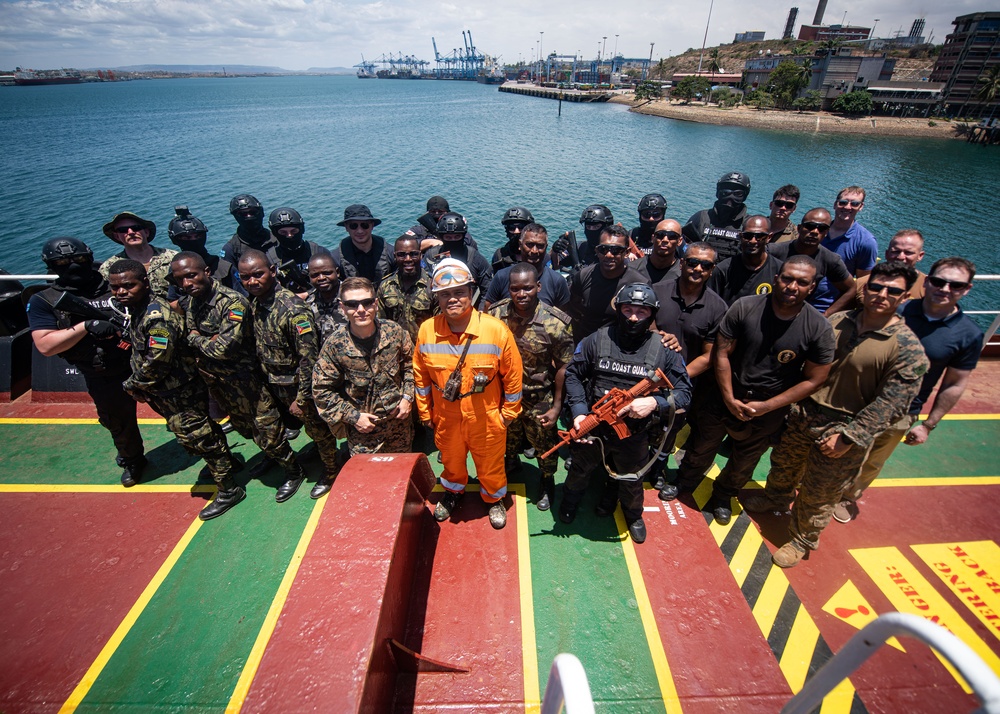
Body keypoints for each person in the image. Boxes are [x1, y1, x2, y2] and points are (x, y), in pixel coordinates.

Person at [741, 261, 928, 568]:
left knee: (821, 489)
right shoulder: (839, 320)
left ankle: (802, 538)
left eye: (892, 291)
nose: (881, 294)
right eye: (876, 287)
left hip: (844, 426)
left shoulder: (907, 349)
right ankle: (775, 497)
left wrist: (850, 437)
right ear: (865, 289)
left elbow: (892, 404)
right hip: (805, 413)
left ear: (904, 297)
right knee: (784, 465)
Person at [662, 256, 836, 525]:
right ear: (776, 279)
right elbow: (721, 353)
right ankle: (685, 480)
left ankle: (724, 494)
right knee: (702, 444)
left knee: (746, 458)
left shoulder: (818, 328)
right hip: (723, 394)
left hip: (769, 407)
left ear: (811, 288)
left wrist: (768, 406)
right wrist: (729, 397)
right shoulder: (744, 307)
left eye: (802, 282)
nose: (792, 286)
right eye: (787, 278)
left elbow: (815, 379)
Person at [834, 257, 983, 524]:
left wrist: (929, 424)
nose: (945, 289)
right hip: (859, 397)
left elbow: (955, 383)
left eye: (955, 285)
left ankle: (848, 496)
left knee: (872, 459)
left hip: (903, 410)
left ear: (967, 289)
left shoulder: (968, 334)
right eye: (939, 281)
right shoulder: (899, 310)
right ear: (926, 282)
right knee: (839, 445)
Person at [110, 260, 243, 520]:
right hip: (166, 390)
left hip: (179, 390)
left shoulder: (156, 317)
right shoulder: (138, 311)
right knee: (204, 431)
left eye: (128, 285)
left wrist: (134, 383)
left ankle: (229, 489)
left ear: (144, 283)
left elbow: (158, 361)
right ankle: (228, 463)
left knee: (199, 437)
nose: (121, 292)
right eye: (115, 288)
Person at [560, 283, 692, 543]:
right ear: (618, 310)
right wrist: (578, 412)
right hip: (593, 427)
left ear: (652, 315)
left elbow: (685, 393)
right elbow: (573, 374)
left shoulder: (664, 349)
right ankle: (570, 501)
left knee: (632, 480)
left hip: (634, 432)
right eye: (627, 309)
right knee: (579, 470)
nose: (633, 317)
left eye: (641, 312)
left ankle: (633, 515)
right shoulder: (597, 340)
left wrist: (655, 403)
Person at [170, 252, 305, 501]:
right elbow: (195, 332)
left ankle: (293, 470)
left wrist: (195, 338)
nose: (187, 283)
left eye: (192, 275)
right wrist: (202, 338)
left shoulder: (232, 303)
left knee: (269, 431)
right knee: (245, 429)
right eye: (180, 280)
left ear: (206, 272)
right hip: (221, 382)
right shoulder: (193, 302)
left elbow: (223, 348)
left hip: (248, 382)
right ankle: (271, 457)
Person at [413, 258, 523, 530]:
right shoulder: (427, 330)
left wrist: (507, 415)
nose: (453, 299)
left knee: (491, 463)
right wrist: (426, 413)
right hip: (446, 416)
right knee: (451, 460)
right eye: (445, 294)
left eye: (459, 292)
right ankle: (453, 491)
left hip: (486, 417)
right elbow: (421, 378)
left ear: (471, 292)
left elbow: (514, 377)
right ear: (436, 296)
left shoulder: (495, 331)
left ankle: (494, 498)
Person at [27, 237, 145, 487]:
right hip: (102, 372)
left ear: (89, 258)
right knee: (117, 421)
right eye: (61, 262)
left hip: (142, 361)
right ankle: (132, 459)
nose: (72, 266)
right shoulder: (46, 300)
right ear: (50, 265)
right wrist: (85, 326)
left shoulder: (115, 284)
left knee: (178, 410)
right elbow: (45, 345)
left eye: (78, 259)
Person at [238, 249, 342, 499]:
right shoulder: (255, 303)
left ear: (272, 272)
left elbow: (309, 359)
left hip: (295, 386)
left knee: (318, 431)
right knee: (269, 428)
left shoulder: (293, 309)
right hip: (271, 382)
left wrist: (303, 397)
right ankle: (292, 469)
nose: (252, 282)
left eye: (258, 274)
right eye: (245, 277)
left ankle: (331, 470)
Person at [487, 263, 575, 511]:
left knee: (545, 444)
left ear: (538, 287)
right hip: (504, 394)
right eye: (515, 289)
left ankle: (546, 480)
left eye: (527, 288)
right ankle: (510, 463)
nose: (521, 294)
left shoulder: (556, 323)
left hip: (539, 396)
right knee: (506, 437)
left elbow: (563, 367)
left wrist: (557, 406)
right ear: (509, 289)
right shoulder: (495, 315)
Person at [313, 277, 415, 455]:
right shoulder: (334, 345)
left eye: (366, 303)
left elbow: (411, 366)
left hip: (399, 424)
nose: (361, 310)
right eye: (352, 304)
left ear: (375, 304)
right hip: (364, 431)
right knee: (367, 478)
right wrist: (353, 417)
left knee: (400, 471)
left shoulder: (395, 332)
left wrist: (407, 397)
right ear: (342, 307)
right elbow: (321, 390)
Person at [565, 224, 647, 341]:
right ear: (596, 251)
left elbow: (648, 323)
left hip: (619, 347)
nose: (609, 255)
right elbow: (572, 309)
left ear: (627, 252)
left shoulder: (639, 283)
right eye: (603, 249)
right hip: (585, 344)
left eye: (616, 250)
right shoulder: (583, 276)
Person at [769, 208, 855, 315]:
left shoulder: (830, 259)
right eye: (810, 226)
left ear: (826, 233)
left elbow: (851, 289)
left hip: (797, 315)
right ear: (799, 228)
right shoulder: (773, 251)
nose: (815, 232)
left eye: (822, 228)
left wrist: (826, 315)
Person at [812, 186, 878, 311]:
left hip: (827, 309)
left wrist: (829, 314)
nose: (848, 207)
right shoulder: (816, 231)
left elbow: (861, 285)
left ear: (861, 207)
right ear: (835, 204)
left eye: (854, 203)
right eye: (843, 202)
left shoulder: (866, 242)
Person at [483, 223, 570, 310]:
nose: (534, 251)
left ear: (546, 247)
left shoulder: (557, 281)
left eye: (540, 246)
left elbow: (563, 316)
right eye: (529, 244)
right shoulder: (501, 277)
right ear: (520, 245)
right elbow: (488, 312)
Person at [98, 211, 177, 301]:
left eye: (136, 228)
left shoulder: (173, 258)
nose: (131, 232)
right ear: (117, 236)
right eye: (123, 230)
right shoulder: (108, 268)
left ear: (146, 232)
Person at [707, 215, 784, 305]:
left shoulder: (779, 270)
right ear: (740, 236)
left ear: (769, 237)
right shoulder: (723, 270)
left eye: (760, 236)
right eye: (748, 236)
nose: (753, 241)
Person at [166, 206, 243, 294]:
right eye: (186, 237)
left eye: (198, 236)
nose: (193, 240)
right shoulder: (177, 270)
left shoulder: (222, 267)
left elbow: (242, 295)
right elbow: (173, 300)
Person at [376, 235, 436, 344]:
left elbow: (440, 324)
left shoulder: (433, 286)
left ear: (420, 255)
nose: (408, 259)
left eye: (413, 254)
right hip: (395, 349)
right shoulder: (385, 286)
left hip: (425, 348)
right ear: (395, 256)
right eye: (401, 255)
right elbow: (380, 323)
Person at [423, 212, 493, 304]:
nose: (453, 240)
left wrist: (480, 312)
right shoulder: (431, 256)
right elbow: (423, 286)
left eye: (457, 237)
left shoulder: (474, 257)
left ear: (463, 236)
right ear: (442, 237)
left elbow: (487, 290)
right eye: (448, 237)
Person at [682, 172, 751, 261]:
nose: (730, 198)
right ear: (718, 192)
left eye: (738, 194)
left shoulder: (749, 224)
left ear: (745, 196)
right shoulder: (701, 217)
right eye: (725, 192)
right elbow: (682, 246)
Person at [851, 229, 927, 307]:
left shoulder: (929, 288)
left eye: (908, 252)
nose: (900, 257)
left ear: (920, 256)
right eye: (895, 251)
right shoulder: (860, 284)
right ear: (887, 254)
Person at [265, 207, 330, 297]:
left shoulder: (319, 252)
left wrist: (308, 294)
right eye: (283, 233)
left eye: (294, 231)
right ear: (275, 233)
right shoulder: (269, 259)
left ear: (302, 229)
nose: (289, 236)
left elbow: (334, 282)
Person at [330, 204, 396, 288]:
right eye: (353, 226)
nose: (360, 231)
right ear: (346, 227)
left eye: (365, 225)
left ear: (372, 226)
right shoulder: (336, 258)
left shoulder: (390, 253)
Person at [550, 204, 615, 272]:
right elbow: (553, 265)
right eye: (588, 227)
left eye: (596, 227)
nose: (591, 230)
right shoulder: (580, 248)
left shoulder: (615, 252)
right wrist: (555, 250)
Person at [404, 196, 478, 253]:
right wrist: (431, 242)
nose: (437, 214)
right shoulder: (418, 230)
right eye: (433, 211)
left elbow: (472, 251)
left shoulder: (458, 230)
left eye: (440, 211)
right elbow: (403, 245)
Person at [220, 194, 276, 266]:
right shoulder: (231, 250)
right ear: (235, 217)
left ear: (261, 212)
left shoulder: (278, 238)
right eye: (242, 214)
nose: (249, 217)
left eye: (252, 212)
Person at [304, 253, 347, 344]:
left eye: (327, 273)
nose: (321, 278)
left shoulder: (353, 297)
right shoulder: (308, 303)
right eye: (315, 275)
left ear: (337, 272)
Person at [633, 219, 683, 286]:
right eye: (660, 235)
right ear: (653, 238)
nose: (665, 240)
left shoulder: (682, 275)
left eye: (672, 236)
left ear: (679, 241)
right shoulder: (633, 269)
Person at [491, 206, 535, 271]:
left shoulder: (537, 254)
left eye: (521, 227)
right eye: (512, 227)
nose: (516, 231)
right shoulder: (500, 255)